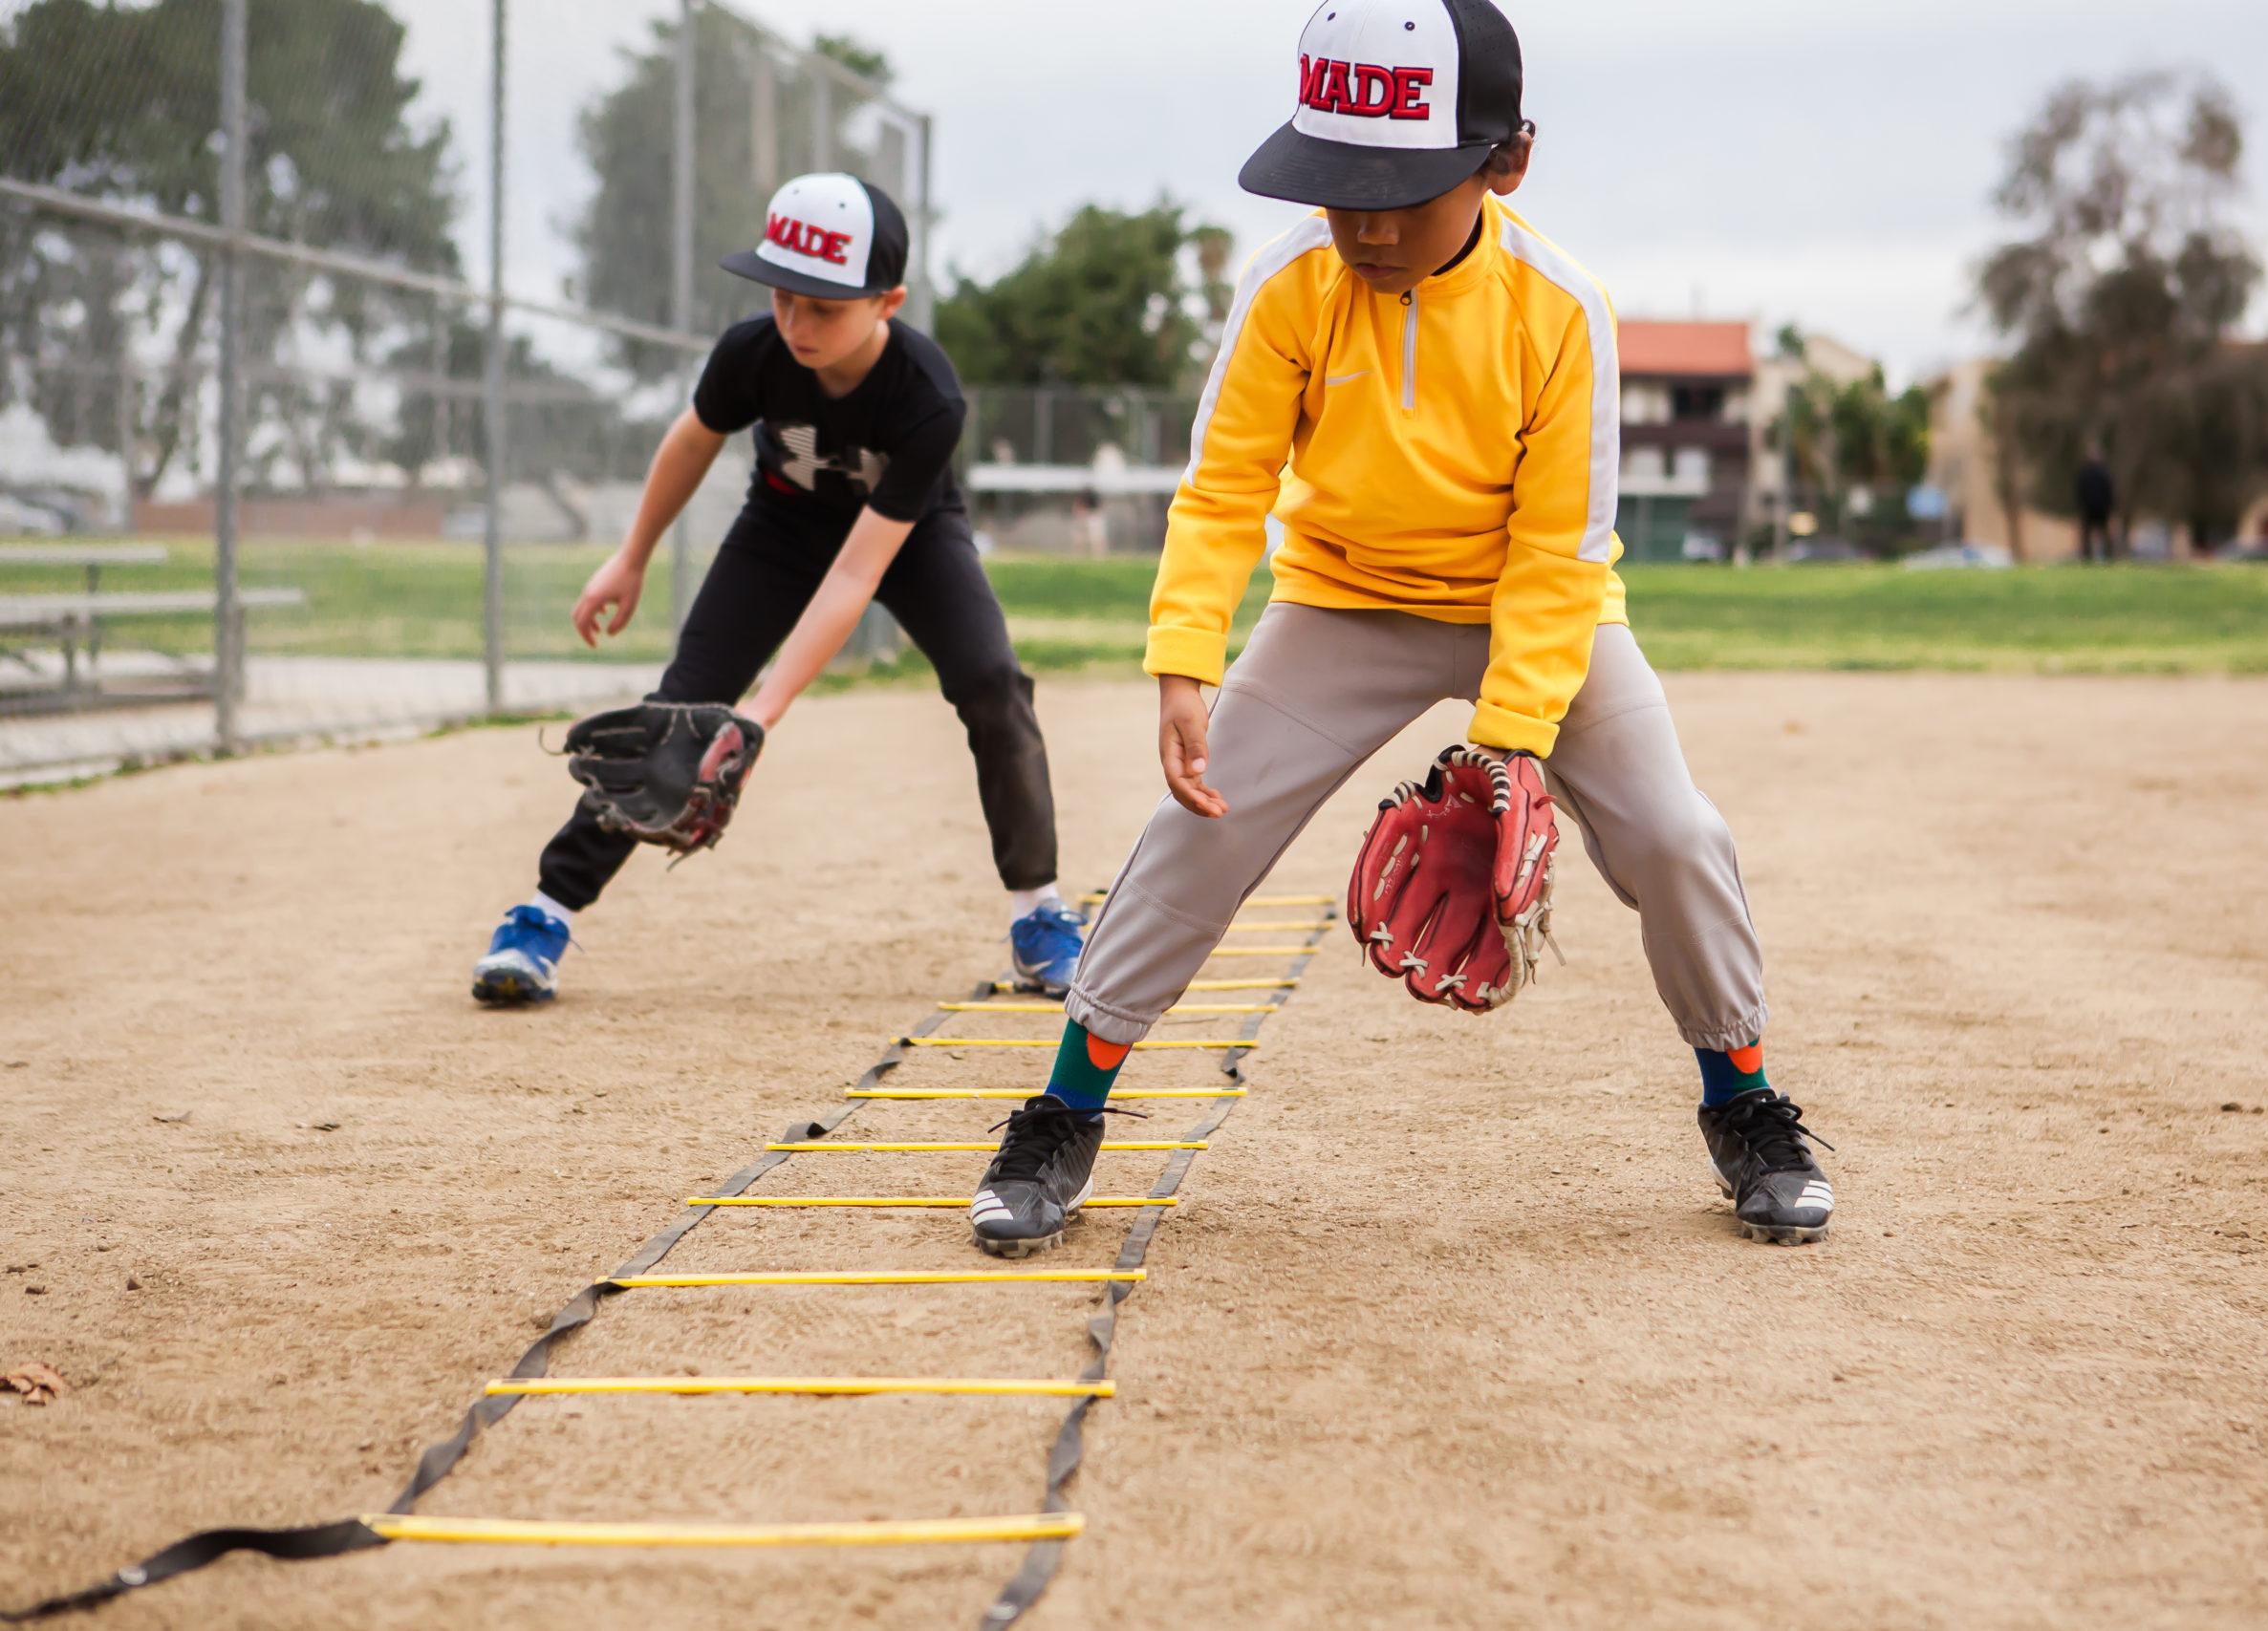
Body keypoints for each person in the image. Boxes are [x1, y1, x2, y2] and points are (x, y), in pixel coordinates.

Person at [967, 0, 1833, 1257]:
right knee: (1199, 826)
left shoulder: (1562, 309)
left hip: (1529, 611)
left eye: (1400, 189)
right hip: (1343, 598)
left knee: (1677, 832)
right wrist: (1184, 663)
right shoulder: (1292, 288)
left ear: (1505, 161)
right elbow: (1222, 489)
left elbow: (1557, 552)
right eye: (1337, 187)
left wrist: (1510, 744)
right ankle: (1064, 1107)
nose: (1364, 222)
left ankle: (1743, 1099)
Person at [472, 173, 1082, 1006]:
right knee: (679, 709)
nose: (797, 322)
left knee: (992, 685)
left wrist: (763, 713)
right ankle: (541, 917)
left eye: (825, 307)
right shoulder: (751, 353)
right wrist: (632, 554)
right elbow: (692, 441)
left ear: (888, 301)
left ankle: (1038, 914)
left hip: (908, 539)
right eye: (785, 298)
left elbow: (858, 572)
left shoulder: (927, 396)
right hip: (782, 527)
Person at [2076, 444, 2116, 563]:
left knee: (2088, 536)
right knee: (2101, 534)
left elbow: (2079, 493)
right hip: (2100, 510)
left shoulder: (2085, 474)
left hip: (2091, 509)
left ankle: (2088, 558)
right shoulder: (2104, 474)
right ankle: (2107, 558)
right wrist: (2110, 508)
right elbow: (2110, 493)